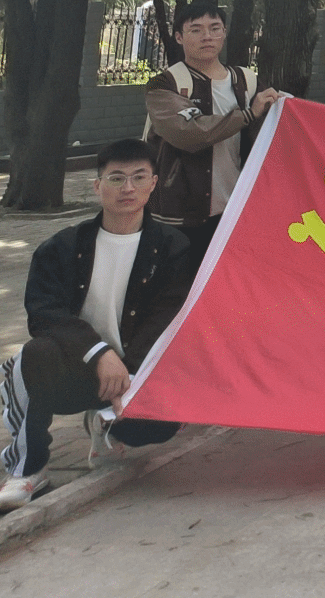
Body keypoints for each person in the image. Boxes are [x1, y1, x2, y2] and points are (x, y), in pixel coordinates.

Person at [1, 140, 189, 508]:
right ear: (97, 185)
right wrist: (99, 352)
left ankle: (106, 424)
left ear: (153, 184)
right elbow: (43, 313)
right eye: (116, 178)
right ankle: (28, 468)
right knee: (32, 356)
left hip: (134, 371)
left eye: (138, 177)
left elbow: (168, 317)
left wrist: (129, 373)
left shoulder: (173, 247)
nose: (128, 188)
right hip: (77, 367)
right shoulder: (60, 247)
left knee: (165, 422)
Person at [144, 2, 285, 256]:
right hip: (180, 214)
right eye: (196, 30)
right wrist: (248, 114)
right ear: (179, 37)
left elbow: (280, 128)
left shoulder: (246, 81)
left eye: (215, 28)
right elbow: (189, 133)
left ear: (224, 33)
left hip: (236, 208)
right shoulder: (164, 84)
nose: (207, 36)